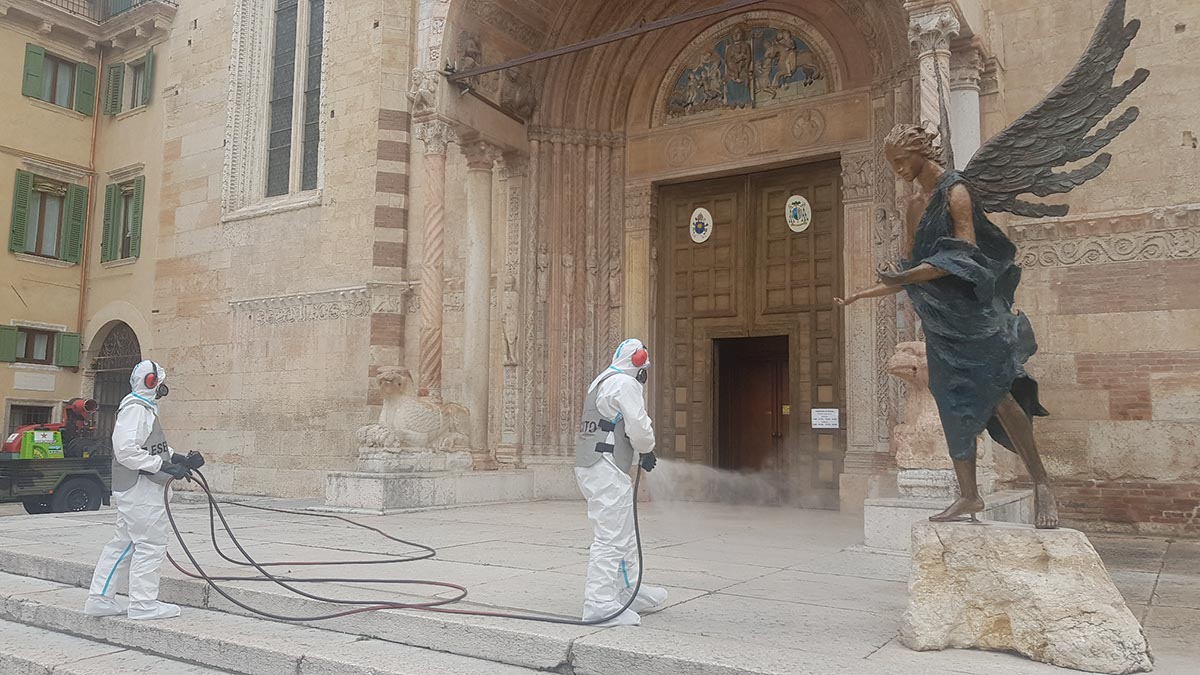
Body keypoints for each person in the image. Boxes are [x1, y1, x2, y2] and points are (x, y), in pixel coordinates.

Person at [84, 360, 200, 620]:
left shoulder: (143, 409)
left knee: (123, 544)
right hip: (141, 491)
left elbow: (151, 446)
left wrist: (178, 458)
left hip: (135, 489)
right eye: (159, 382)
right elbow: (126, 450)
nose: (161, 387)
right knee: (151, 545)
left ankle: (100, 599)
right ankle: (144, 604)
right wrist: (163, 466)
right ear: (152, 383)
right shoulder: (136, 409)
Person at [575, 338, 667, 626]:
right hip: (605, 469)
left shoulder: (601, 380)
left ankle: (629, 590)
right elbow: (638, 426)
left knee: (624, 532)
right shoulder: (626, 384)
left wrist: (639, 453)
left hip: (598, 465)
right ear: (639, 365)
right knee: (611, 536)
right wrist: (647, 449)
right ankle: (599, 604)